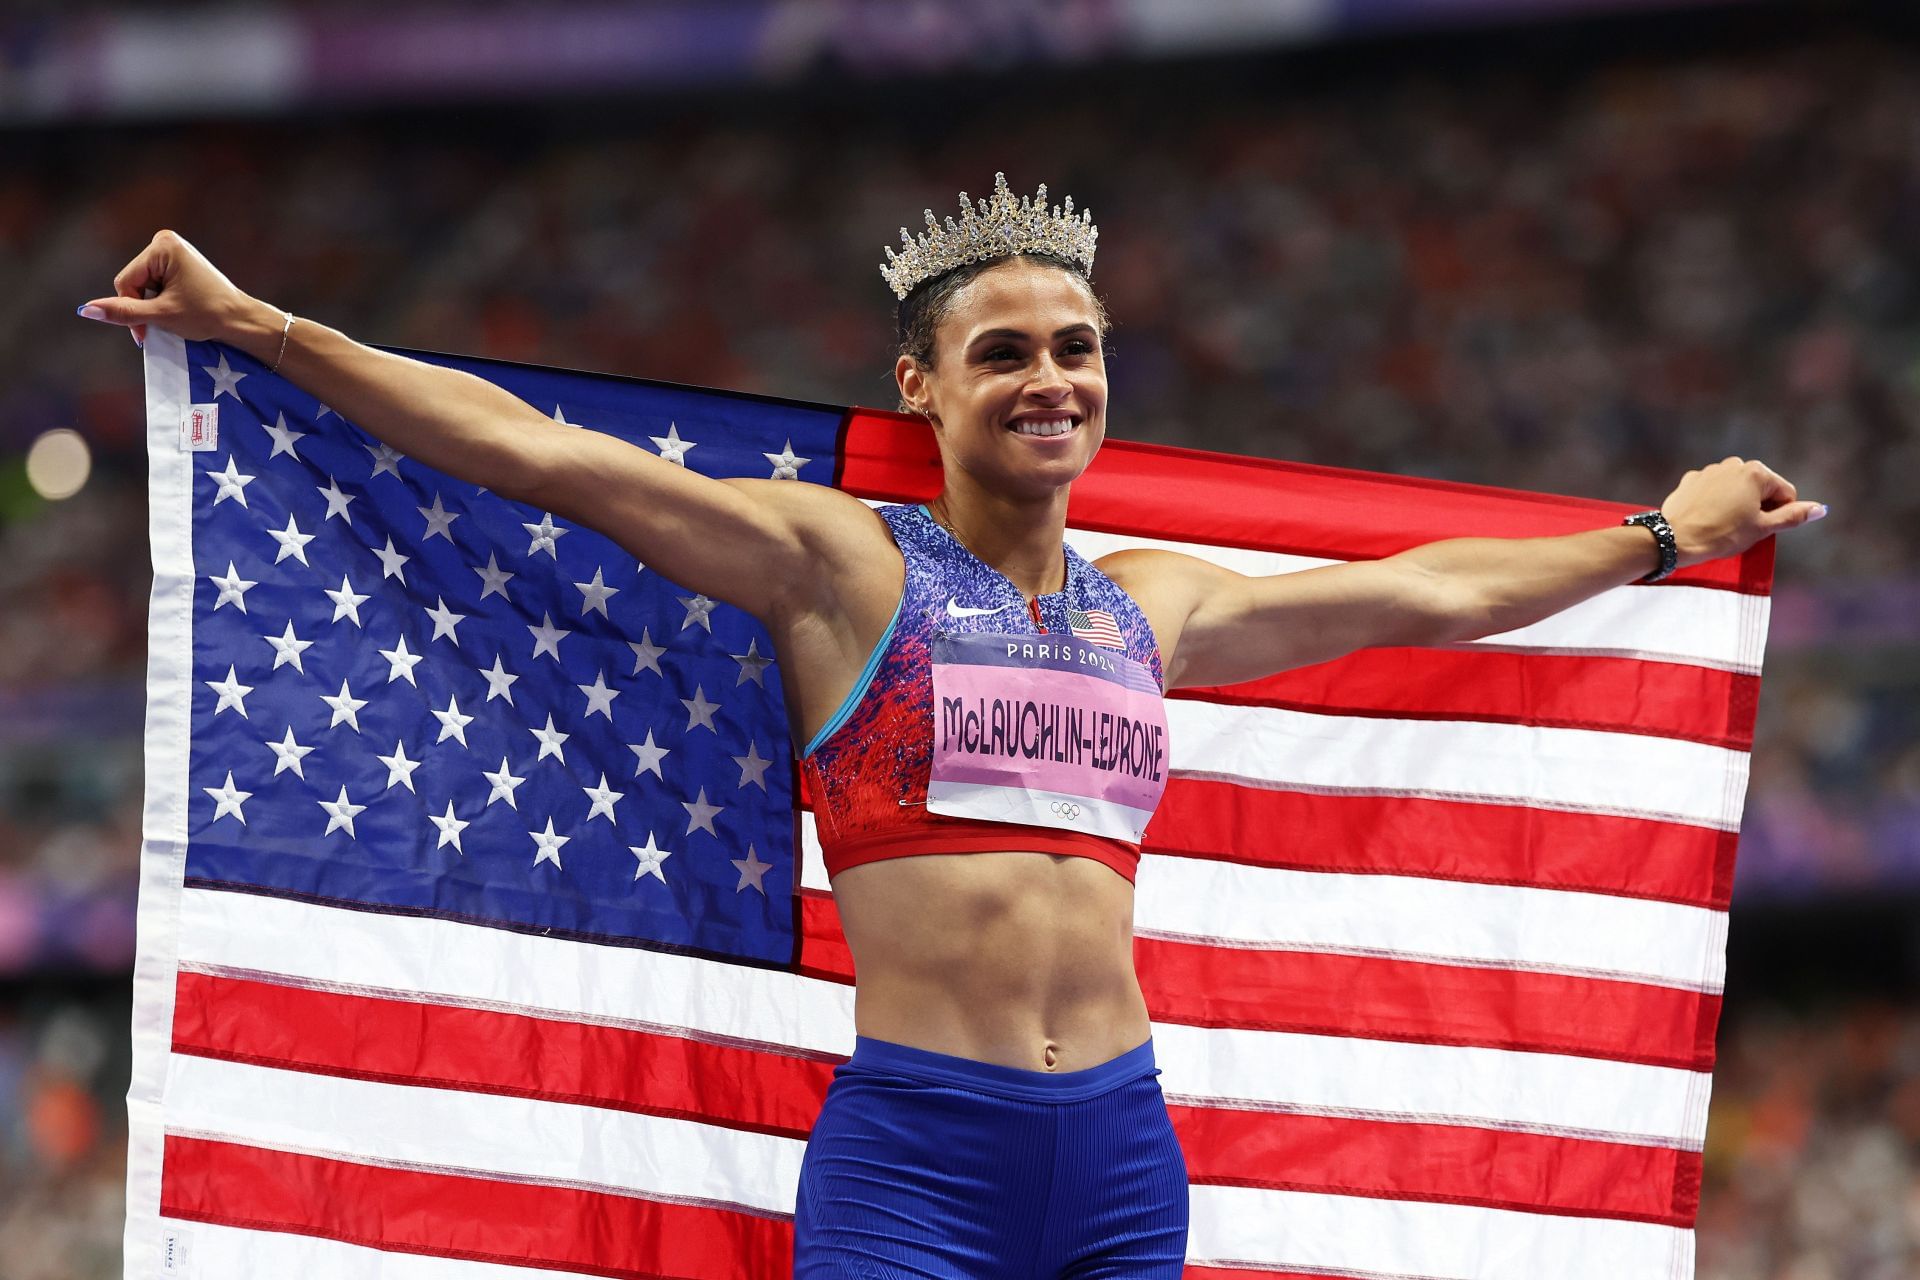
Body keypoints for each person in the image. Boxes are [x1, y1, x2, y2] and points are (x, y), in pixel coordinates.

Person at [80, 173, 1825, 1278]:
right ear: (921, 388)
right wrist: (266, 329)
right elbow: (542, 457)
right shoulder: (840, 568)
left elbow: (1438, 598)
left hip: (1127, 1159)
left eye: (1075, 346)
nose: (1050, 378)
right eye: (1002, 353)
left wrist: (1663, 534)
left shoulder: (1158, 602)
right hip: (920, 1162)